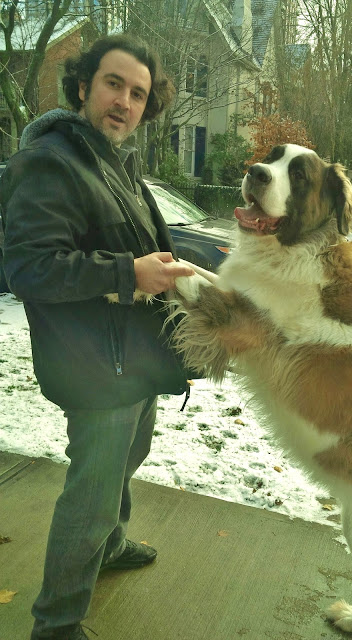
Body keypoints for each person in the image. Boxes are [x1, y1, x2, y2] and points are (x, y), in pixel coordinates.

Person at [0, 34, 195, 640]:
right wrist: (128, 275)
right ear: (83, 86)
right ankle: (55, 623)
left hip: (133, 360)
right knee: (89, 500)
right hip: (94, 367)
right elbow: (27, 267)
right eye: (113, 84)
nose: (124, 102)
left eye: (137, 93)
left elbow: (128, 248)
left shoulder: (115, 164)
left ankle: (109, 545)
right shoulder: (50, 162)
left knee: (125, 464)